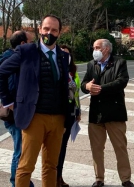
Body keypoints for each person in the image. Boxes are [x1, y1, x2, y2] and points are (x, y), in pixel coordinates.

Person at [0, 14, 69, 187]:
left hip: (58, 117)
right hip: (33, 117)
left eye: (54, 30)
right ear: (39, 29)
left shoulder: (63, 56)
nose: (49, 33)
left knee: (51, 166)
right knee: (25, 167)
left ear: (59, 33)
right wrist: (8, 101)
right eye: (46, 29)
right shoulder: (26, 51)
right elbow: (1, 72)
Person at [81, 39, 134, 187]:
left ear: (106, 49)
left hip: (114, 113)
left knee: (120, 148)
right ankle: (99, 179)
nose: (95, 50)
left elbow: (122, 81)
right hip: (96, 114)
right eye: (94, 47)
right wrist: (87, 86)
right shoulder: (91, 64)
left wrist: (100, 89)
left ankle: (125, 179)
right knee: (97, 149)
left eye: (97, 47)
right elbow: (84, 84)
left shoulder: (119, 62)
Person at [0, 30, 34, 187]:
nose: (33, 45)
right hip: (15, 113)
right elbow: (11, 84)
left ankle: (22, 181)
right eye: (30, 42)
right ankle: (17, 182)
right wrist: (9, 102)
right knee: (20, 150)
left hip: (14, 111)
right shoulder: (13, 59)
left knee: (21, 148)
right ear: (22, 44)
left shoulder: (7, 55)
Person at [56, 45, 81, 187]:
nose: (65, 56)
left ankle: (59, 176)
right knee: (55, 147)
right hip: (59, 113)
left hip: (71, 112)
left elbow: (76, 94)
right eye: (62, 53)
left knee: (63, 147)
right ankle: (53, 177)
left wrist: (78, 112)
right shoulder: (57, 71)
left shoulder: (73, 72)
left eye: (67, 54)